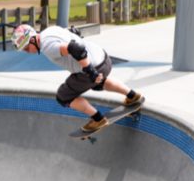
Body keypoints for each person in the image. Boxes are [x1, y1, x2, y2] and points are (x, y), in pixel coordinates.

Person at [11, 24, 144, 132]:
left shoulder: (47, 47)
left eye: (27, 48)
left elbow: (76, 48)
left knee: (63, 96)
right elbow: (72, 33)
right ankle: (132, 96)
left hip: (92, 67)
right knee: (98, 83)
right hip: (104, 59)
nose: (27, 51)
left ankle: (98, 119)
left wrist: (90, 72)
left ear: (33, 39)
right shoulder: (50, 30)